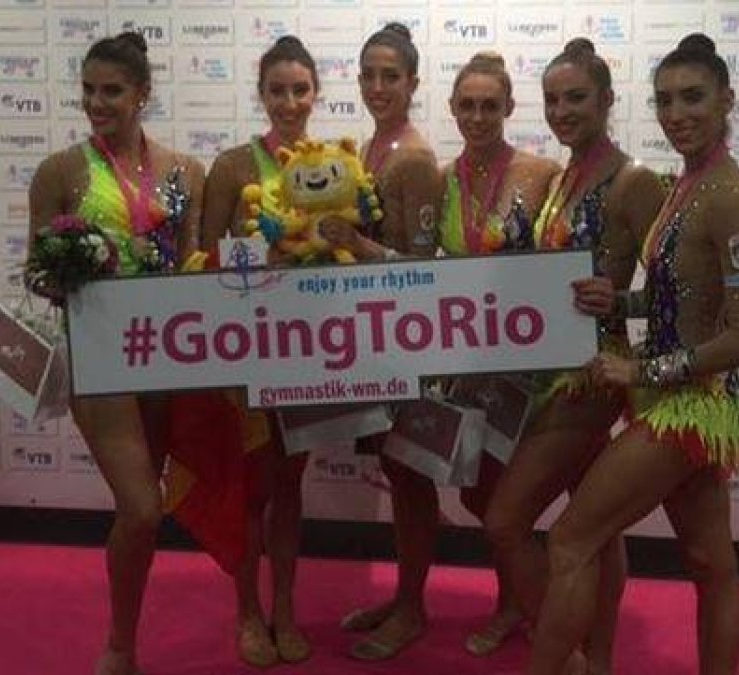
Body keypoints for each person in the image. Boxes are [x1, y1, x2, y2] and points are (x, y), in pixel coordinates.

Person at [527, 33, 739, 675]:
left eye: (693, 98)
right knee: (712, 565)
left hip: (688, 407)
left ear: (726, 101)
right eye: (665, 100)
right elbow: (685, 302)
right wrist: (620, 305)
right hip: (676, 401)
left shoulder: (730, 196)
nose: (677, 114)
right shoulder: (687, 184)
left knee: (571, 540)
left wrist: (640, 369)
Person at [478, 37, 666, 674]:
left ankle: (566, 658)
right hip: (548, 373)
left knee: (507, 521)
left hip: (590, 378)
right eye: (553, 100)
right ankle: (600, 659)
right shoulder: (560, 179)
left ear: (607, 100)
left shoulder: (634, 180)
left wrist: (620, 305)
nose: (562, 111)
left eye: (576, 98)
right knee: (599, 533)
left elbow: (677, 293)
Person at [26, 31, 206, 675]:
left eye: (112, 91)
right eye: (89, 91)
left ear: (142, 94)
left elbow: (197, 263)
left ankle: (125, 638)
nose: (97, 103)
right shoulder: (60, 172)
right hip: (99, 356)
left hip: (167, 354)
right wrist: (68, 264)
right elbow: (36, 274)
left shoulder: (186, 171)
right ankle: (118, 646)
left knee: (145, 519)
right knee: (141, 506)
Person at [315, 22, 444, 661]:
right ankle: (402, 595)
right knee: (398, 472)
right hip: (376, 338)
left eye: (390, 76)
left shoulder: (413, 156)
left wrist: (353, 242)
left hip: (407, 342)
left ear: (413, 82)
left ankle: (414, 607)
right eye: (368, 74)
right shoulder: (373, 146)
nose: (376, 86)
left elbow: (423, 267)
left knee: (412, 475)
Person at [426, 51, 562, 657]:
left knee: (508, 496)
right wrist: (354, 244)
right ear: (453, 110)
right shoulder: (440, 178)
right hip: (466, 361)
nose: (478, 116)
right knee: (479, 493)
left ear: (509, 108)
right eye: (467, 106)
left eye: (490, 105)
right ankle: (523, 599)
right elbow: (417, 269)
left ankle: (531, 610)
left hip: (529, 364)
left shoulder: (542, 172)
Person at [198, 34, 319, 668]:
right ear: (261, 94)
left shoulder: (335, 163)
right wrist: (264, 264)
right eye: (278, 90)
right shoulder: (232, 167)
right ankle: (247, 613)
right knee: (250, 489)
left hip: (307, 355)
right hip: (246, 353)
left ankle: (289, 611)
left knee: (291, 487)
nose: (290, 102)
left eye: (300, 90)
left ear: (316, 94)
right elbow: (208, 259)